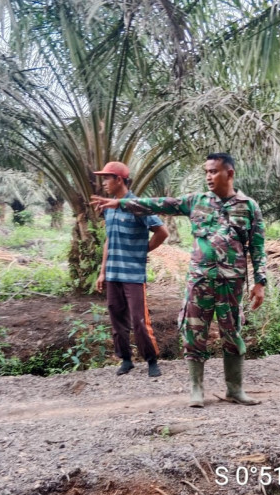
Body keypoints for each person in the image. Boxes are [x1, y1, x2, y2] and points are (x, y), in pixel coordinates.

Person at [92, 153, 266, 408]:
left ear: (229, 173)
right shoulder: (196, 201)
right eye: (206, 171)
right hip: (200, 281)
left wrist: (260, 282)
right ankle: (196, 389)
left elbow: (258, 246)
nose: (208, 176)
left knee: (232, 333)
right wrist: (120, 204)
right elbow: (158, 204)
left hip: (231, 283)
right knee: (194, 334)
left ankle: (235, 389)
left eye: (214, 171)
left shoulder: (248, 206)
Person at [94, 161, 169, 377]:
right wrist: (102, 271)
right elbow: (109, 239)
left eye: (107, 178)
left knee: (139, 320)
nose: (104, 182)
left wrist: (142, 250)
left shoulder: (139, 205)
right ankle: (125, 360)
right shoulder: (109, 208)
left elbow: (162, 232)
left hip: (134, 275)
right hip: (114, 273)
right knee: (116, 317)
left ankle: (152, 361)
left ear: (119, 179)